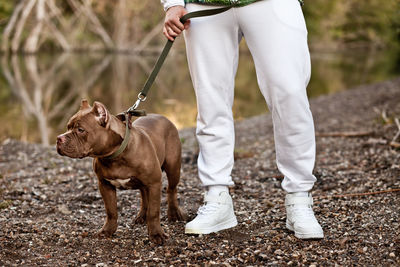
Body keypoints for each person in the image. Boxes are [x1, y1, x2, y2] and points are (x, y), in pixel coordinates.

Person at [161, 0, 323, 239]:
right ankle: (217, 196)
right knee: (210, 99)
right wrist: (172, 3)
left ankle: (299, 197)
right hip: (203, 5)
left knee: (290, 93)